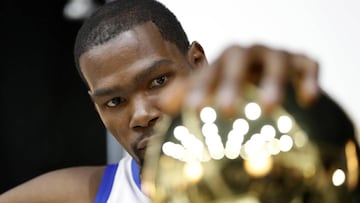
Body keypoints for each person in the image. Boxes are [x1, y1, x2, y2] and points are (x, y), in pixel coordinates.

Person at [0, 0, 325, 202]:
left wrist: (302, 119)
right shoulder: (82, 194)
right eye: (114, 101)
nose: (140, 115)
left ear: (197, 62)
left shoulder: (273, 176)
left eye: (158, 81)